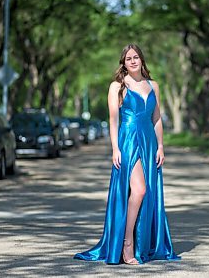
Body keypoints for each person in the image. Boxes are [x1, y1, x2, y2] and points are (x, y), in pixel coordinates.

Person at [74, 44, 180, 265]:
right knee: (139, 190)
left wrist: (161, 146)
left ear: (142, 59)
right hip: (129, 141)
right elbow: (114, 121)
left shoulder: (154, 85)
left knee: (147, 192)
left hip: (149, 142)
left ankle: (142, 242)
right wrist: (115, 148)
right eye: (128, 58)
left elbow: (157, 118)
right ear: (123, 63)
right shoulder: (117, 86)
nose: (132, 61)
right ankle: (127, 241)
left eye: (136, 57)